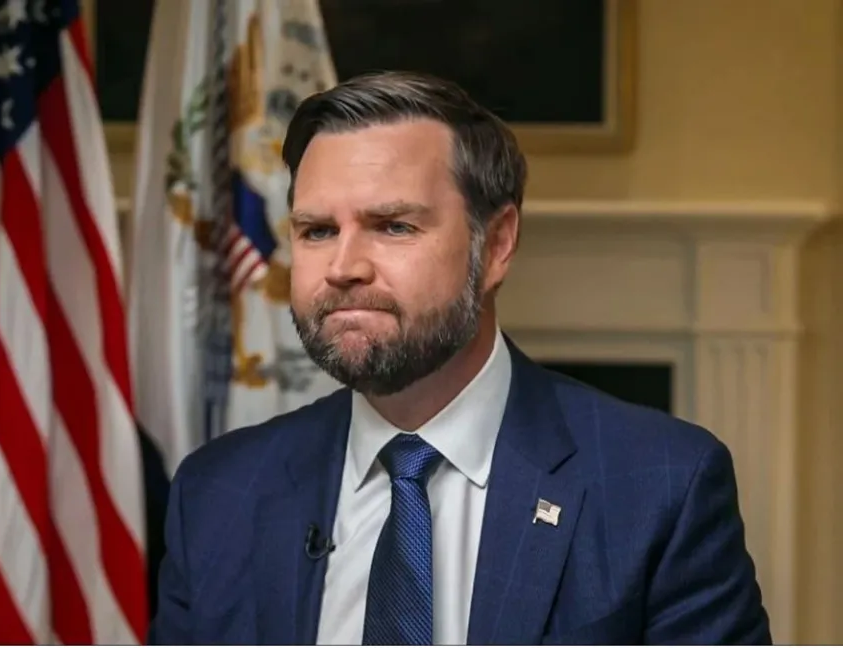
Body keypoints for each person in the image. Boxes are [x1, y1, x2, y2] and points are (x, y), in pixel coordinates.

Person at [149, 70, 771, 645]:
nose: (343, 267)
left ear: (495, 245)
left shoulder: (661, 486)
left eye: (393, 226)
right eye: (317, 231)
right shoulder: (218, 494)